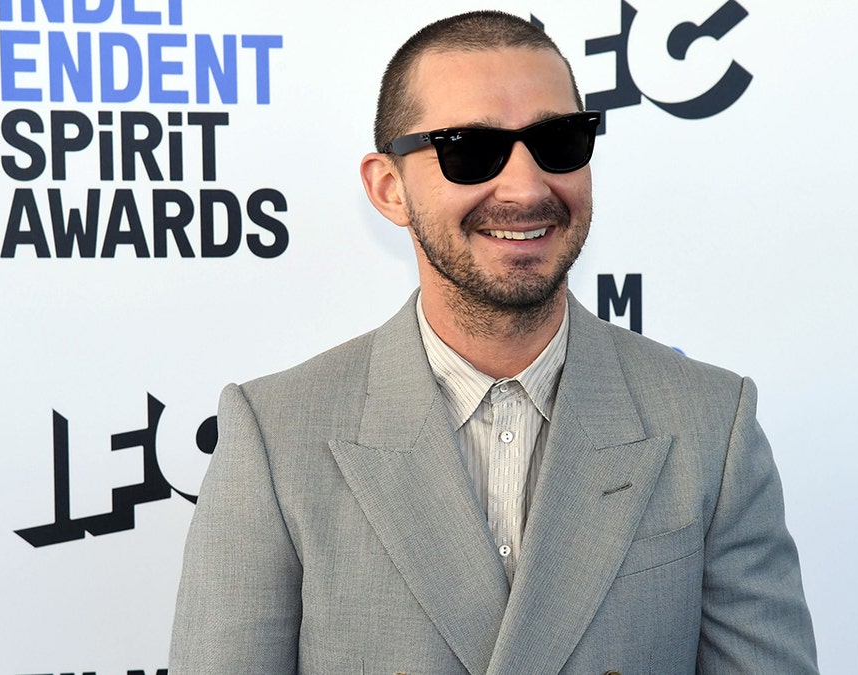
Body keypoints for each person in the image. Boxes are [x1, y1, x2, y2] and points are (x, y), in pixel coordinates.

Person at [170, 10, 817, 674]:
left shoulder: (711, 423)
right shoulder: (277, 438)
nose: (527, 187)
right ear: (389, 188)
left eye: (558, 141)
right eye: (470, 149)